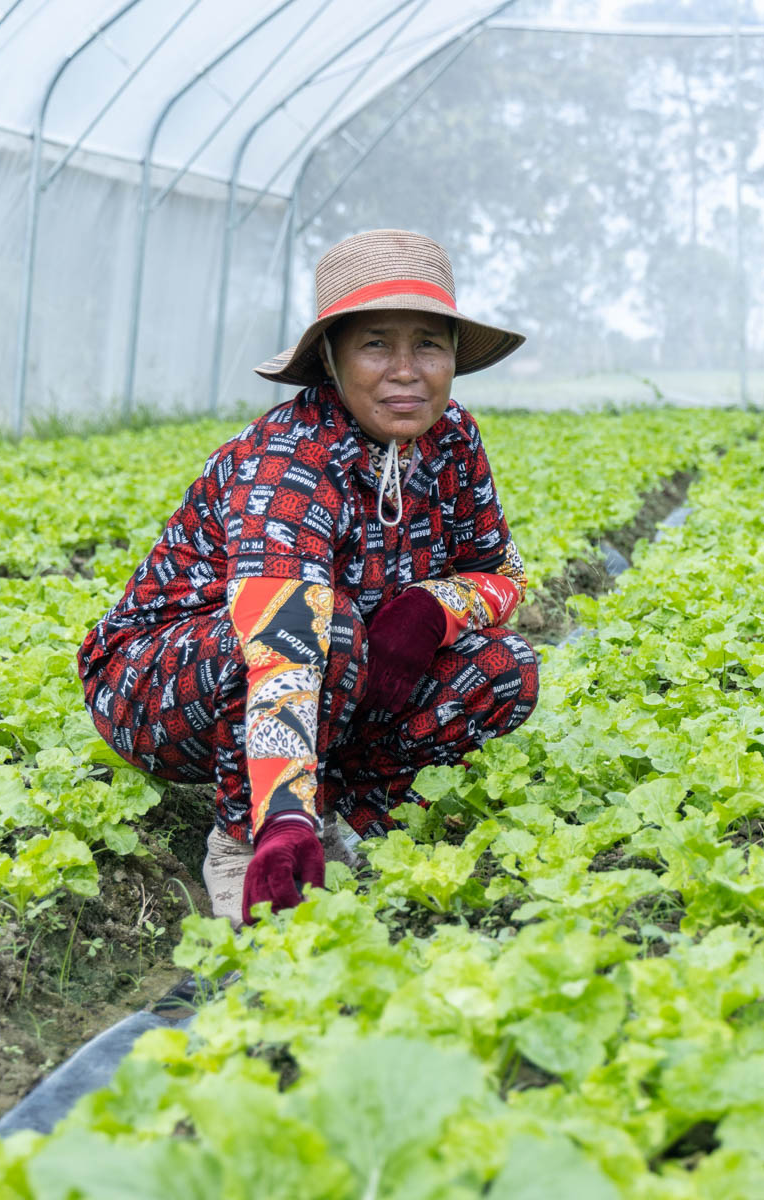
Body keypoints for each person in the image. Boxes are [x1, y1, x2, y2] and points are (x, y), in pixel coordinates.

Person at [78, 229, 541, 925]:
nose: (407, 370)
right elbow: (283, 638)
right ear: (331, 357)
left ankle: (354, 810)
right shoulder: (290, 457)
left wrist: (431, 607)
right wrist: (281, 819)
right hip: (160, 682)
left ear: (453, 357)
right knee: (331, 630)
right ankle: (244, 842)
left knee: (505, 667)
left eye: (429, 344)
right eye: (377, 343)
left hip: (326, 659)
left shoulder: (454, 441)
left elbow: (499, 570)